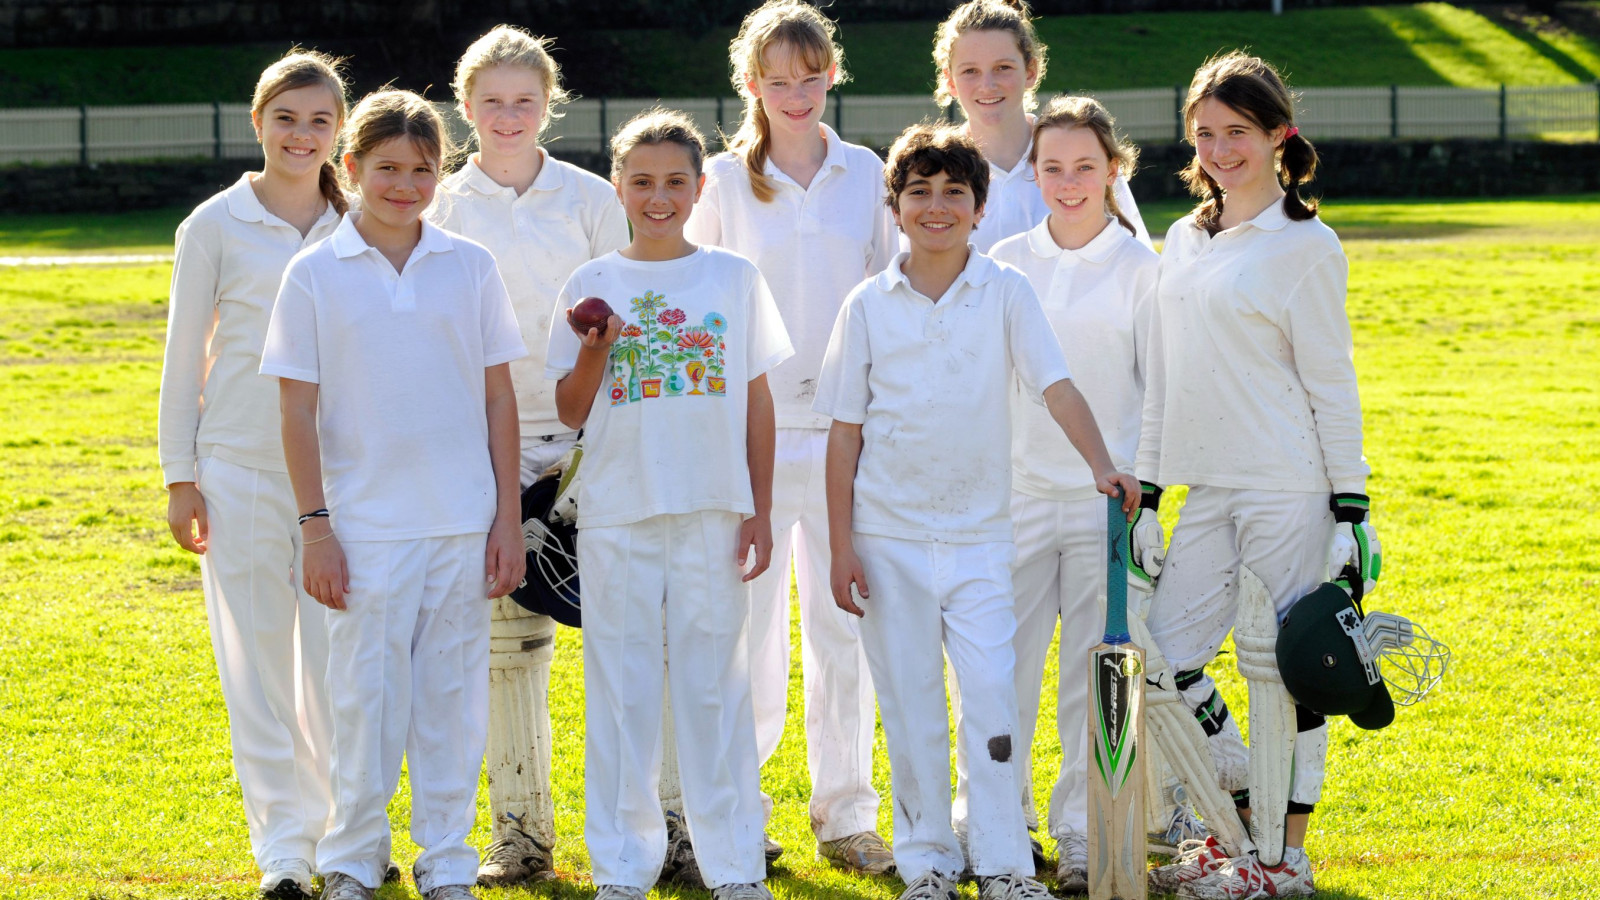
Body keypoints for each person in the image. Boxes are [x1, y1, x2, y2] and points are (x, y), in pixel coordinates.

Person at [813, 122, 1140, 900]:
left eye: (953, 192)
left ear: (981, 206)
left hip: (983, 539)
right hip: (886, 538)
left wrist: (1103, 464)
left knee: (993, 700)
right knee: (912, 703)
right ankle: (926, 860)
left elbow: (1056, 386)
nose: (936, 207)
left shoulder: (1005, 291)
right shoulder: (866, 305)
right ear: (894, 208)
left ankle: (1002, 864)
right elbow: (843, 434)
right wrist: (839, 547)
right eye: (918, 192)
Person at [260, 89, 527, 900]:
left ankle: (447, 862)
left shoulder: (469, 266)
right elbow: (296, 411)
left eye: (420, 170)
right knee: (365, 705)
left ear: (439, 175)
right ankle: (351, 860)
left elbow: (498, 398)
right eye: (385, 169)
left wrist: (507, 518)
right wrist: (317, 530)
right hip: (363, 529)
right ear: (352, 168)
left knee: (449, 704)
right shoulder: (313, 275)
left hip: (460, 521)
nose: (403, 185)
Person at [1137, 52, 1377, 900]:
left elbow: (1331, 383)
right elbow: (1163, 377)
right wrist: (1150, 491)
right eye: (1204, 133)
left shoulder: (1308, 245)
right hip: (1208, 486)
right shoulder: (1182, 238)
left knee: (1286, 671)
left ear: (1279, 135)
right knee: (1162, 654)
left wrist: (1352, 508)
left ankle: (1284, 861)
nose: (1219, 149)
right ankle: (1238, 805)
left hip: (1288, 484)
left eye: (1237, 132)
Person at [546, 108, 793, 900]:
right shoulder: (591, 285)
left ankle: (735, 867)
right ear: (618, 185)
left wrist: (758, 507)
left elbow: (758, 403)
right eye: (642, 181)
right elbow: (572, 410)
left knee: (714, 690)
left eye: (675, 182)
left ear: (697, 188)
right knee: (621, 694)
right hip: (617, 510)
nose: (659, 197)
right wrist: (596, 351)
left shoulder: (732, 278)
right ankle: (623, 867)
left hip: (713, 509)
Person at [680, 0, 898, 875]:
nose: (797, 95)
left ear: (831, 75)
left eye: (811, 79)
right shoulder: (725, 184)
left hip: (848, 437)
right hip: (753, 441)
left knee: (844, 630)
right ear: (751, 84)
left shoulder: (868, 172)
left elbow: (889, 299)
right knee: (749, 635)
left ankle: (847, 815)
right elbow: (700, 303)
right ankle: (742, 813)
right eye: (779, 81)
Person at [430, 24, 630, 887]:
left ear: (550, 104)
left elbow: (624, 319)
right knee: (509, 647)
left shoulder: (590, 198)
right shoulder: (440, 204)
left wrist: (596, 439)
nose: (508, 116)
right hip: (487, 448)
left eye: (526, 100)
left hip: (594, 444)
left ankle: (663, 825)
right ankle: (521, 835)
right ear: (465, 106)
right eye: (491, 101)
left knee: (630, 639)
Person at [157, 50, 350, 900]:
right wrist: (180, 475)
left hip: (346, 477)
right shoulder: (213, 225)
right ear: (258, 121)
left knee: (340, 665)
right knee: (259, 670)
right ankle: (284, 851)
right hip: (235, 468)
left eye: (319, 120)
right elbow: (181, 358)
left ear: (340, 130)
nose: (301, 135)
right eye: (287, 117)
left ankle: (349, 838)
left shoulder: (363, 224)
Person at [985, 95, 1160, 894]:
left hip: (1104, 508)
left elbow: (1158, 395)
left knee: (1094, 681)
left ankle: (1084, 831)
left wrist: (1145, 498)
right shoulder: (1007, 261)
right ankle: (993, 827)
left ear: (1112, 170)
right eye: (1051, 167)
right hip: (1014, 501)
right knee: (1002, 672)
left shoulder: (1141, 270)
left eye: (1084, 165)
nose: (1067, 181)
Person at [931, 0, 1148, 253]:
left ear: (1031, 71)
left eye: (1003, 67)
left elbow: (1135, 259)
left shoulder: (1082, 153)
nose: (987, 84)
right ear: (950, 80)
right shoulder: (933, 168)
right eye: (970, 71)